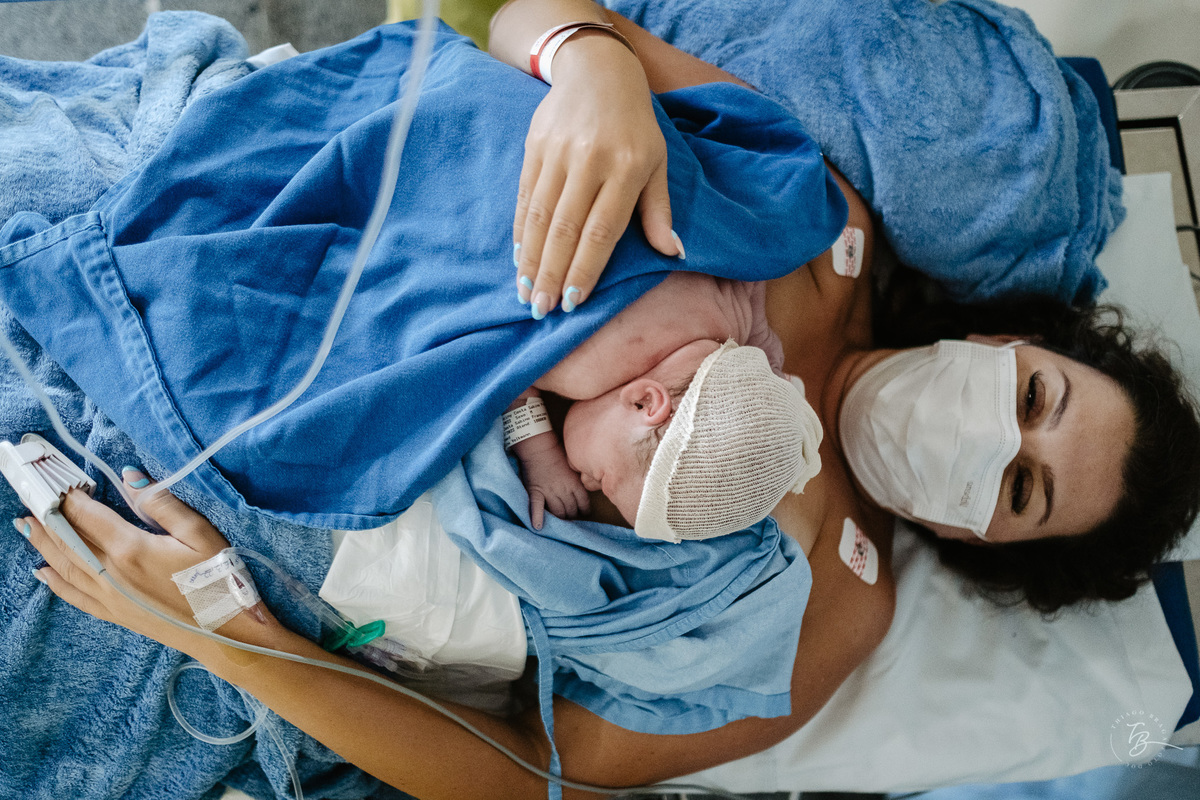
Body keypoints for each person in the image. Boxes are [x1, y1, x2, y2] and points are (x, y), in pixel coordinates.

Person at [16, 3, 1200, 800]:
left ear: (980, 544)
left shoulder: (832, 617)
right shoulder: (816, 218)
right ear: (1006, 338)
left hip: (234, 527)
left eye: (1022, 486)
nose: (993, 432)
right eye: (1036, 397)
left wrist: (225, 629)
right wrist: (595, 67)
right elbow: (534, 12)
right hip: (269, 247)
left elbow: (531, 772)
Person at [506, 270, 822, 538]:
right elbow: (504, 371)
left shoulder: (734, 314)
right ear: (645, 402)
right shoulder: (580, 367)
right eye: (604, 481)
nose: (586, 482)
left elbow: (762, 339)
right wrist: (540, 456)